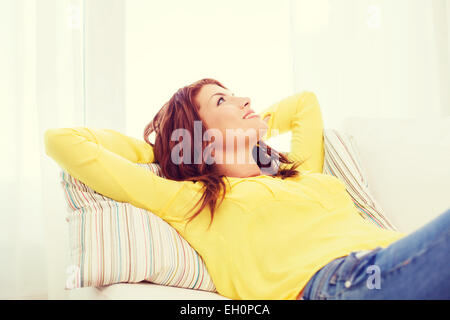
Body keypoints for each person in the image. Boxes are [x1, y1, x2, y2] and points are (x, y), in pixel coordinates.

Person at [44, 78, 450, 300]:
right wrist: (163, 146)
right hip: (339, 284)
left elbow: (304, 103)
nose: (245, 99)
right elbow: (62, 141)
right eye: (224, 99)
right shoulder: (192, 200)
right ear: (200, 136)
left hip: (393, 257)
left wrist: (247, 126)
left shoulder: (296, 173)